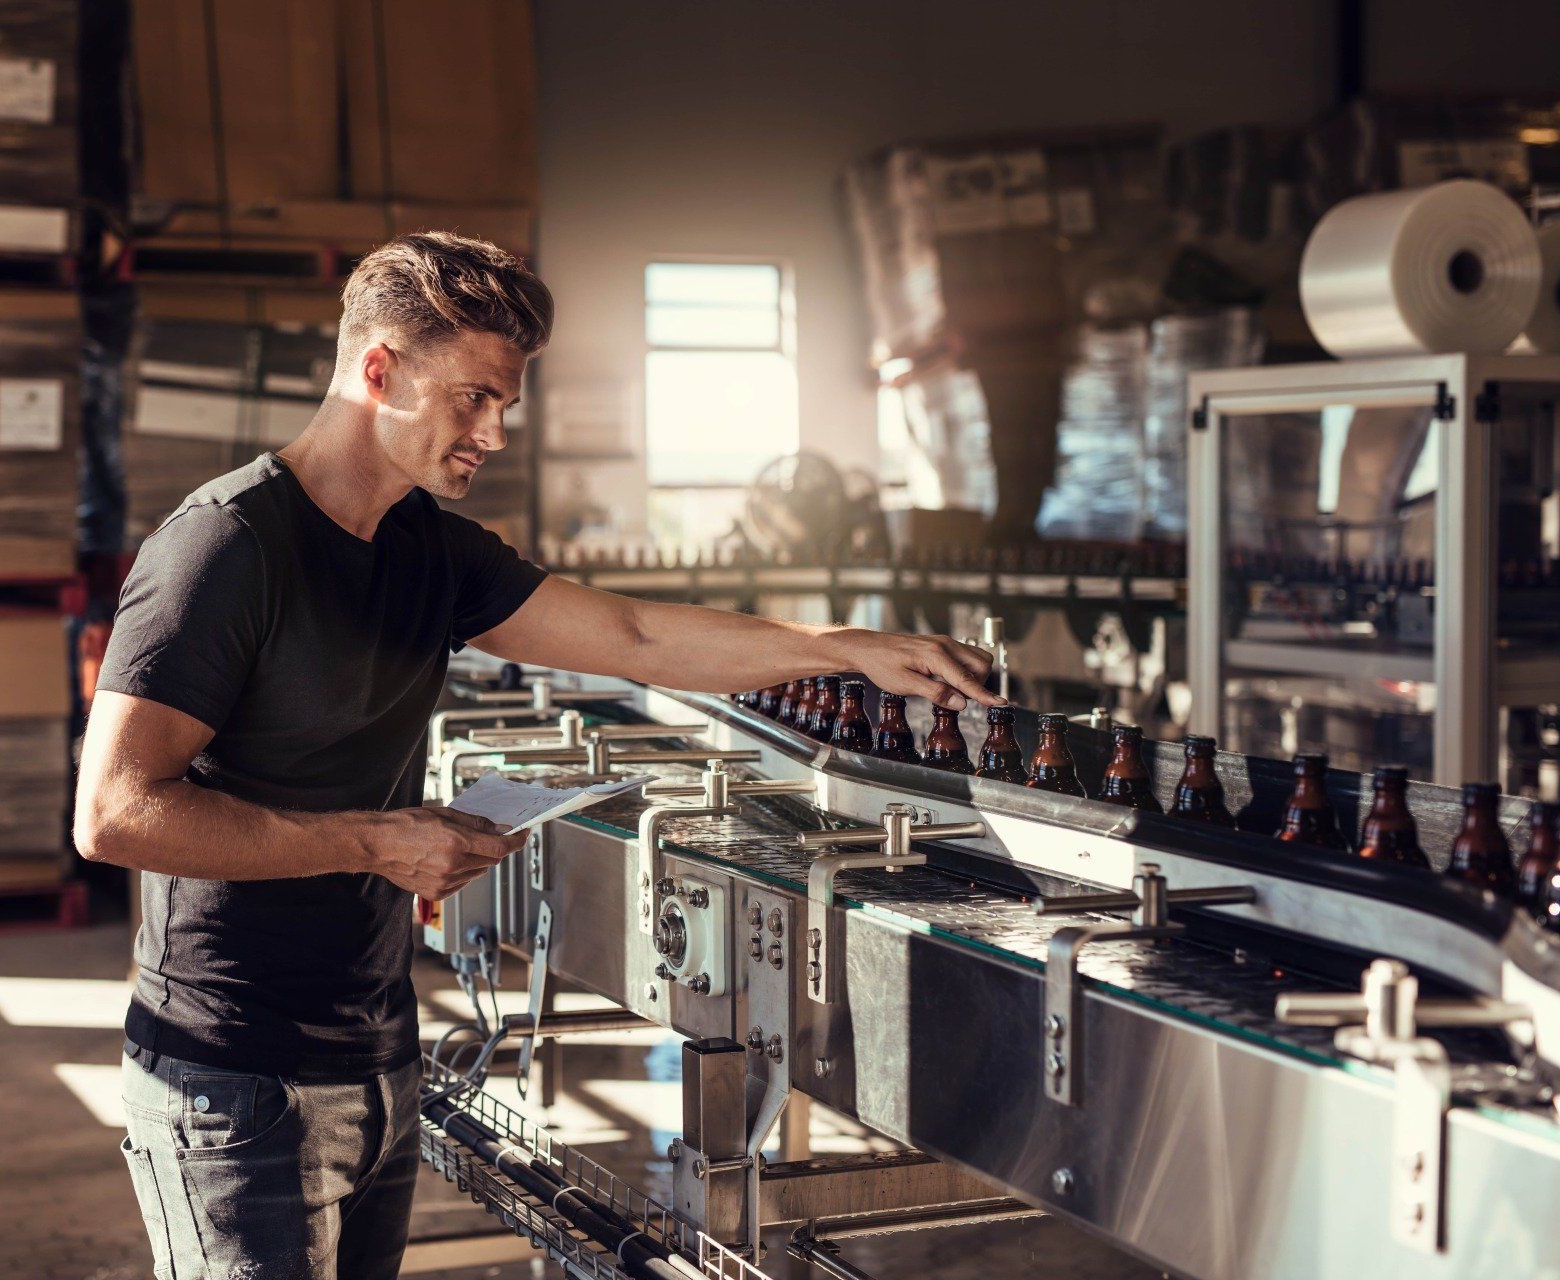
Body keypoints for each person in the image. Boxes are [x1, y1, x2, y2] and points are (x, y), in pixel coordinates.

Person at [75, 232, 998, 1280]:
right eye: (473, 397)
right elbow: (112, 810)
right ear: (378, 370)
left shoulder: (429, 548)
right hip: (236, 1079)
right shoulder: (224, 550)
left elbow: (634, 639)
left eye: (505, 404)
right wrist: (373, 839)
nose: (496, 432)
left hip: (377, 1053)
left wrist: (842, 649)